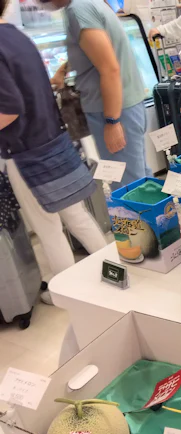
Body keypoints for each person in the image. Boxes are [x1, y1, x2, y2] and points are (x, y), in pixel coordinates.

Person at [0, 0, 107, 304]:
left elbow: (9, 108)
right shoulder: (18, 37)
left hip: (25, 151)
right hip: (54, 141)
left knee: (48, 228)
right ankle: (114, 272)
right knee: (78, 216)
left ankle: (67, 295)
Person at [49, 0, 152, 190]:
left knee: (129, 190)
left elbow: (110, 69)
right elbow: (92, 51)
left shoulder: (78, 10)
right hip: (126, 106)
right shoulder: (88, 3)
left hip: (114, 110)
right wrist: (63, 71)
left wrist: (112, 122)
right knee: (140, 181)